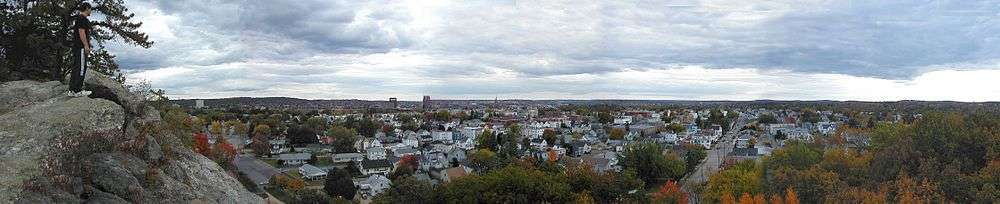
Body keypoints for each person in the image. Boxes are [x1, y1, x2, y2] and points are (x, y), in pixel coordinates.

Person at [69, 3, 93, 97]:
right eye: (90, 9)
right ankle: (77, 90)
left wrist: (88, 44)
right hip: (80, 47)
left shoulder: (80, 18)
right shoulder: (82, 18)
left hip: (78, 47)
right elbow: (81, 32)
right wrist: (86, 46)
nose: (91, 11)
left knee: (76, 67)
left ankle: (72, 90)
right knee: (81, 67)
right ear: (87, 8)